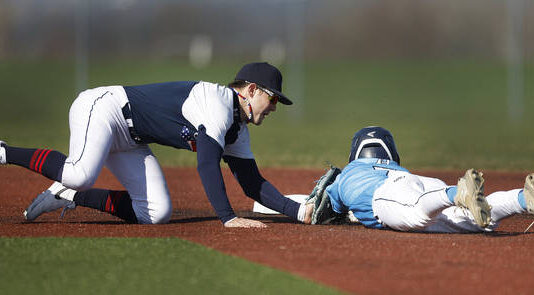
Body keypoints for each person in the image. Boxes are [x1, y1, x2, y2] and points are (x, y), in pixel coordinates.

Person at [0, 62, 313, 228]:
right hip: (105, 108)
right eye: (272, 99)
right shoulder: (217, 103)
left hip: (131, 138)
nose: (273, 107)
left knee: (156, 212)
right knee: (79, 172)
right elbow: (206, 163)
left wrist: (298, 211)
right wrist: (227, 217)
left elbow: (252, 184)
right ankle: (5, 151)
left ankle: (68, 195)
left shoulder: (237, 128)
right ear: (253, 89)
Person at [304, 126, 534, 233]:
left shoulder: (347, 175)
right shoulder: (396, 167)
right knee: (477, 221)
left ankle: (457, 194)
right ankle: (523, 199)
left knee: (415, 213)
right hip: (421, 183)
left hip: (389, 194)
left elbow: (326, 210)